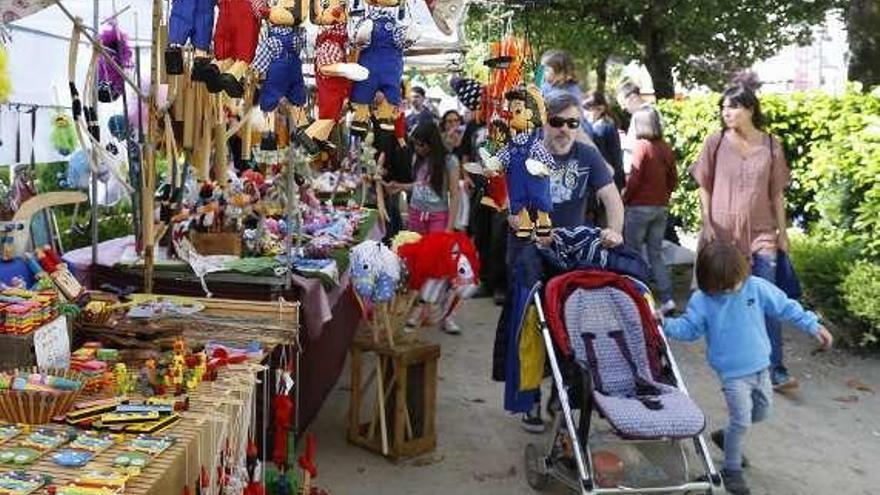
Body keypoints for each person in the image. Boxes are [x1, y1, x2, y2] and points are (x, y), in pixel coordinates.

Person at [662, 241, 833, 495]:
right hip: (732, 376)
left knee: (762, 413)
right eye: (724, 287)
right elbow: (689, 329)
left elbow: (785, 306)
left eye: (736, 282)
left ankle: (728, 436)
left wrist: (812, 325)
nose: (733, 289)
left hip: (761, 367)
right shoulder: (703, 300)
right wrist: (664, 324)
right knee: (741, 420)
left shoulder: (755, 287)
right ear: (709, 283)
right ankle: (732, 471)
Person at [507, 90, 624, 432]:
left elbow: (613, 201)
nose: (564, 130)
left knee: (570, 327)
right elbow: (511, 210)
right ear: (543, 122)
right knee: (531, 330)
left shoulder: (588, 155)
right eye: (556, 122)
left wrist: (614, 232)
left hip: (572, 255)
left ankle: (564, 392)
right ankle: (529, 399)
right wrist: (532, 230)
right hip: (530, 254)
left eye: (573, 123)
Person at [690, 84, 797, 389]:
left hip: (762, 233)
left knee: (768, 297)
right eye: (723, 107)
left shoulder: (772, 145)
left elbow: (776, 194)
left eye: (734, 107)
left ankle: (776, 368)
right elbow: (704, 186)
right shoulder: (715, 142)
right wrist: (707, 222)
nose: (727, 113)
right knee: (724, 297)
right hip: (722, 232)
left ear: (750, 109)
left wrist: (783, 232)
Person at [388, 121, 462, 332]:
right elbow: (420, 186)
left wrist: (450, 226)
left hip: (439, 217)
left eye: (421, 145)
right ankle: (421, 308)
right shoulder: (418, 159)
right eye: (416, 145)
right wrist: (400, 187)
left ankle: (445, 313)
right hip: (415, 215)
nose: (418, 149)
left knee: (439, 266)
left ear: (431, 143)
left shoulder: (449, 161)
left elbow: (455, 195)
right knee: (418, 265)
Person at [623, 106, 677, 314]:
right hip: (660, 207)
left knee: (633, 254)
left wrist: (625, 198)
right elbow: (673, 178)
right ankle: (668, 299)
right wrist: (664, 196)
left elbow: (635, 179)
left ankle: (641, 298)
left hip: (639, 207)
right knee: (655, 254)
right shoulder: (665, 146)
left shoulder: (641, 146)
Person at [583, 91, 624, 189]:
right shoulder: (607, 124)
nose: (586, 113)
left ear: (601, 109)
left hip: (605, 179)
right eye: (584, 109)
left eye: (589, 109)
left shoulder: (601, 129)